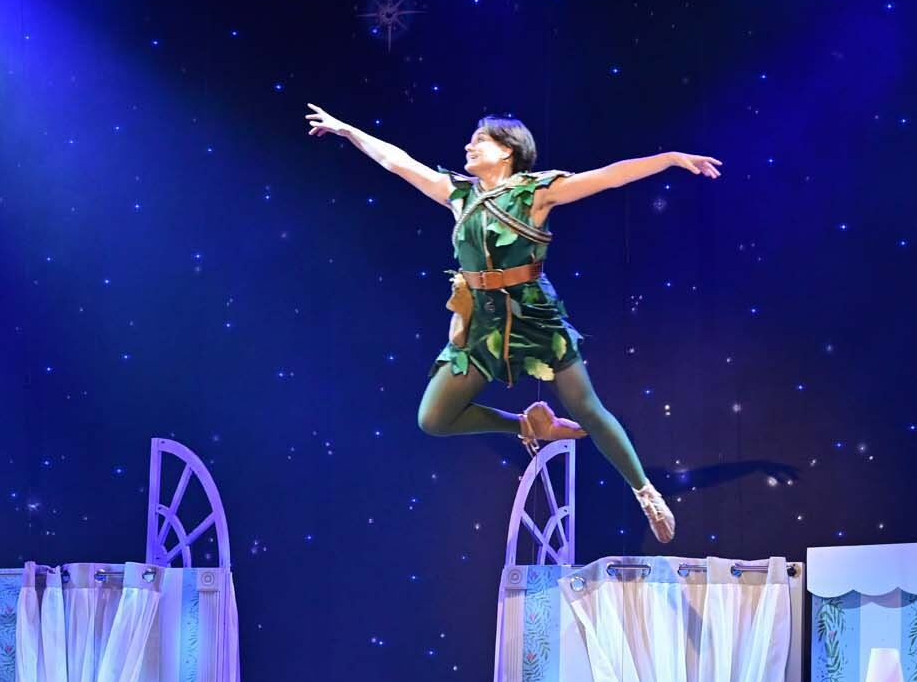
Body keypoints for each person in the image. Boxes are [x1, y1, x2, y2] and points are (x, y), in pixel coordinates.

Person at [305, 103, 722, 545]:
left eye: (479, 140)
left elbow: (609, 176)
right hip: (482, 322)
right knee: (433, 417)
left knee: (586, 408)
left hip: (533, 315)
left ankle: (645, 491)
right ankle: (528, 425)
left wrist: (669, 159)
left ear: (507, 151)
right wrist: (347, 130)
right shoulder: (459, 195)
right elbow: (398, 161)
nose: (468, 146)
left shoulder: (536, 193)